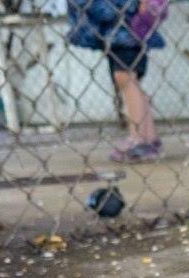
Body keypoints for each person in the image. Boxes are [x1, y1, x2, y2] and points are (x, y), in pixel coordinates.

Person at [68, 1, 167, 163]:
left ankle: (139, 139)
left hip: (129, 31)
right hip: (125, 31)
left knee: (125, 78)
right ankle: (149, 138)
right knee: (129, 80)